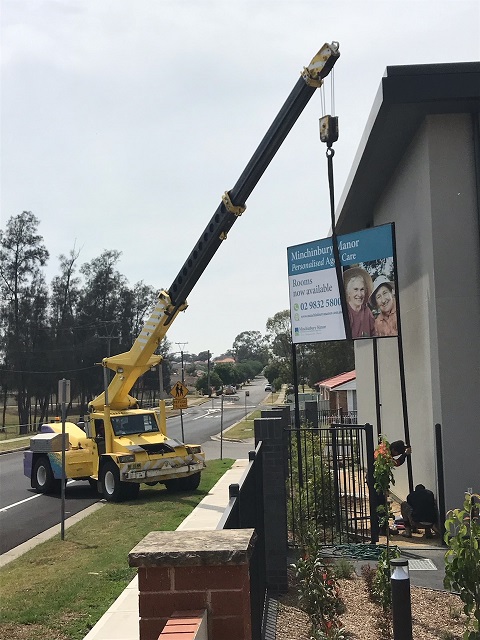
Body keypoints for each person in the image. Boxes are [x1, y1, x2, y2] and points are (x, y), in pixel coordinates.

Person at [343, 267, 376, 338]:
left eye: (362, 289)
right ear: (349, 293)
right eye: (355, 289)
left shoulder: (367, 311)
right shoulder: (345, 311)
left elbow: (374, 333)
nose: (359, 294)